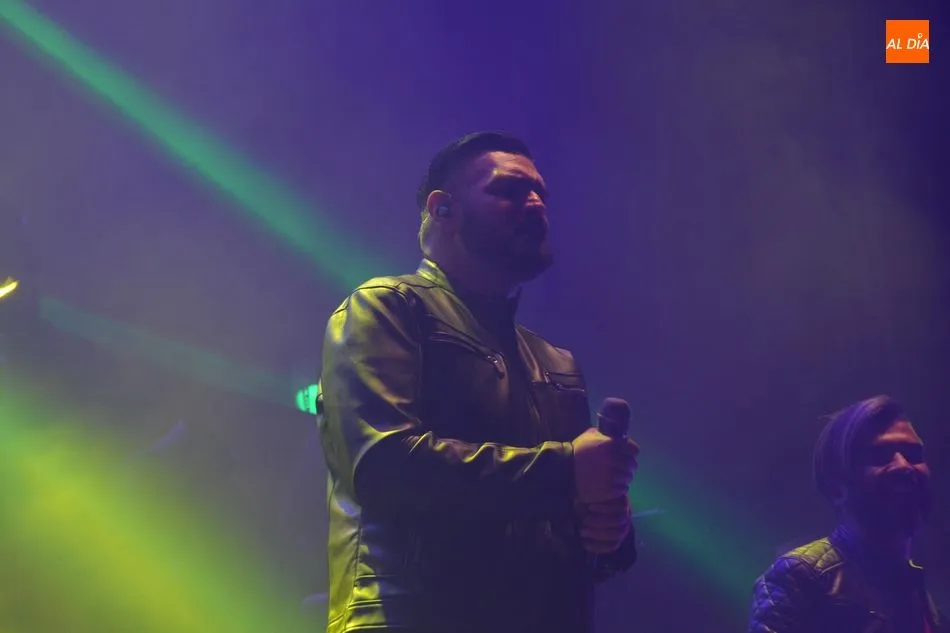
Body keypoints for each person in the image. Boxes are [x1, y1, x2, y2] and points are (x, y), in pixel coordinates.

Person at [317, 131, 640, 633]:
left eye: (541, 193)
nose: (536, 204)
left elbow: (561, 516)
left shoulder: (556, 361)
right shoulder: (387, 307)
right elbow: (382, 464)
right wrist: (568, 471)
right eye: (509, 190)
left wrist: (610, 529)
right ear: (442, 208)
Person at [749, 395, 946, 633]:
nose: (904, 465)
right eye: (879, 456)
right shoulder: (801, 576)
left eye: (913, 454)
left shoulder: (921, 590)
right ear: (836, 489)